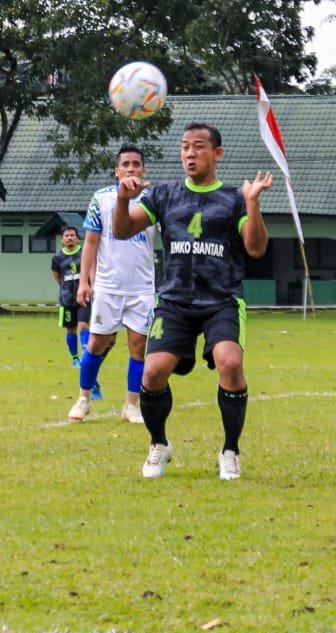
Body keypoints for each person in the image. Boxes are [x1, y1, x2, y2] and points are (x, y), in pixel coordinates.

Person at [113, 123, 271, 480]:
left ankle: (230, 451)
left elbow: (257, 247)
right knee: (152, 373)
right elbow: (122, 230)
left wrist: (252, 202)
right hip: (175, 300)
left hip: (221, 299)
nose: (189, 153)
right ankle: (159, 444)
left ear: (217, 153)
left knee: (230, 364)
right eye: (184, 147)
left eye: (198, 147)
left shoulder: (233, 198)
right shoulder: (164, 195)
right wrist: (123, 200)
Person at [69, 145, 154, 424]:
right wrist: (84, 281)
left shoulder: (153, 199)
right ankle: (83, 398)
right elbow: (91, 241)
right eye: (125, 164)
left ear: (143, 170)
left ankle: (131, 405)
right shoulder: (101, 198)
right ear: (116, 171)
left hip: (142, 287)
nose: (131, 168)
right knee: (96, 343)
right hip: (108, 286)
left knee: (138, 346)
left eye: (136, 164)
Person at [51, 225, 90, 368]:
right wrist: (66, 288)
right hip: (67, 298)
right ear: (62, 240)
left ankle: (86, 355)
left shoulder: (84, 253)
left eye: (72, 235)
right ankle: (75, 358)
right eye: (66, 236)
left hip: (85, 296)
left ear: (77, 238)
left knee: (84, 324)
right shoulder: (57, 258)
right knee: (71, 328)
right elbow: (57, 276)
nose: (69, 238)